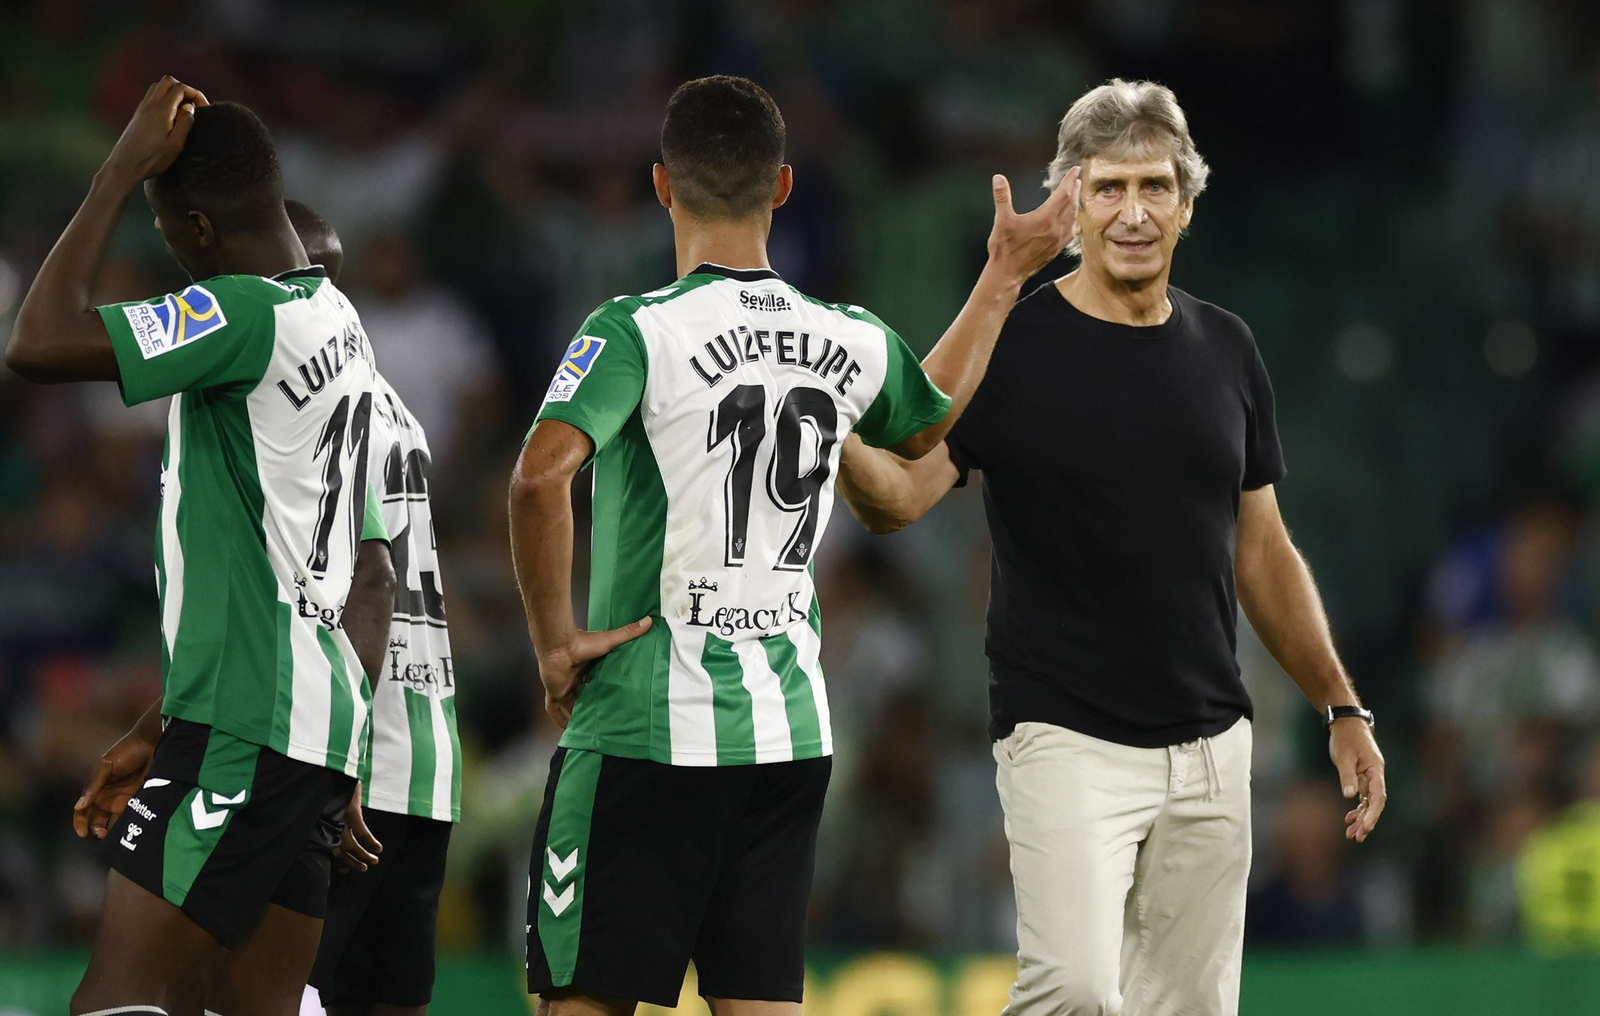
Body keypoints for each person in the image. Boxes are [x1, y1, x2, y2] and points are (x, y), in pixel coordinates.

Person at [508, 75, 1076, 1015]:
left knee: (583, 1001)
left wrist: (553, 642)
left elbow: (538, 478)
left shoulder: (634, 330)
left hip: (647, 727)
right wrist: (1003, 275)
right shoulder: (841, 332)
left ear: (661, 186)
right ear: (781, 186)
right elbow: (925, 422)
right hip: (788, 734)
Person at [836, 78, 1389, 1016]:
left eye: (1155, 187)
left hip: (1212, 746)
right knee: (1074, 990)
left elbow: (1263, 551)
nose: (1134, 212)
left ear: (1186, 203)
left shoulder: (1228, 348)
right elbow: (898, 497)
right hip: (1064, 738)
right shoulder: (1012, 341)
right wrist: (834, 429)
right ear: (1072, 203)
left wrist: (1341, 705)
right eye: (1109, 189)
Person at [7, 78, 392, 1016]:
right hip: (307, 725)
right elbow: (365, 574)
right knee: (232, 1006)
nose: (168, 248)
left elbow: (37, 340)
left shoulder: (242, 314)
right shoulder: (342, 328)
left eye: (165, 228)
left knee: (114, 1000)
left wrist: (116, 172)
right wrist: (162, 728)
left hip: (245, 722)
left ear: (201, 230)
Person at [288, 200, 464, 1016]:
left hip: (348, 762)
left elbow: (370, 579)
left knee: (268, 991)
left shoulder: (309, 401)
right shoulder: (391, 400)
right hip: (426, 757)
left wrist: (343, 760)